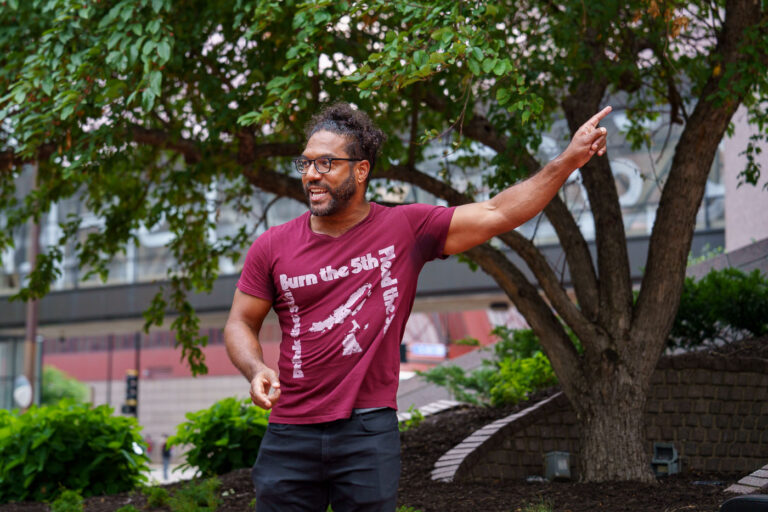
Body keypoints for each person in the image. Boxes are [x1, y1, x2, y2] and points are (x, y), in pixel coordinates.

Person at [224, 102, 610, 511]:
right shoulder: (273, 245)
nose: (311, 174)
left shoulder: (404, 228)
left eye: (326, 163)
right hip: (290, 431)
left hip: (367, 430)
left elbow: (497, 212)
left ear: (360, 170)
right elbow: (239, 323)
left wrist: (568, 161)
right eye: (306, 163)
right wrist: (256, 368)